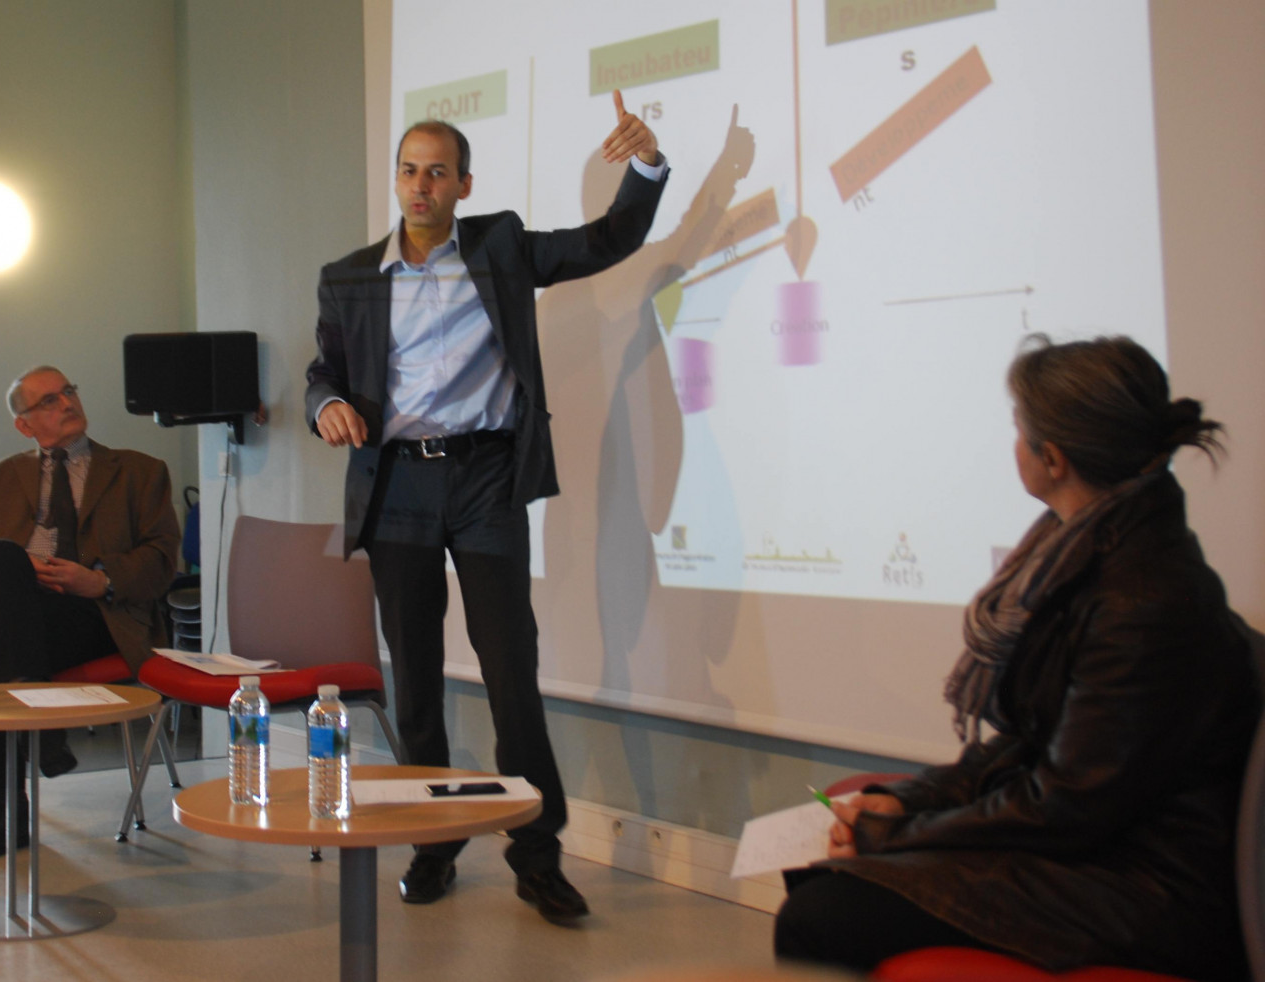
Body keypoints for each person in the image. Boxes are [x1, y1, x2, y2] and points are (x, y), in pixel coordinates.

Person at [774, 335, 1260, 979]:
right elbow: (1036, 745)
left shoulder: (1140, 601)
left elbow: (1066, 805)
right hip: (1106, 847)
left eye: (1018, 431)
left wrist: (899, 831)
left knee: (822, 913)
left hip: (1143, 885)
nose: (1014, 445)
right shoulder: (1093, 553)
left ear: (1051, 459)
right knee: (829, 874)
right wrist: (912, 800)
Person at [304, 92, 666, 923]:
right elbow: (323, 371)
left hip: (484, 481)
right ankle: (434, 844)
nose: (421, 185)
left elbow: (606, 241)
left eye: (438, 171)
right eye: (408, 170)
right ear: (395, 182)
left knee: (512, 675)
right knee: (417, 685)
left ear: (465, 184)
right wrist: (325, 404)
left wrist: (646, 167)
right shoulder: (351, 276)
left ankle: (538, 858)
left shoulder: (500, 248)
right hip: (397, 485)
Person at [0, 366, 179, 862]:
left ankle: (2, 812)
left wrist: (101, 579)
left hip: (96, 616)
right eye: (48, 401)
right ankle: (43, 738)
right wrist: (7, 574)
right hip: (16, 616)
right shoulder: (0, 476)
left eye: (68, 391)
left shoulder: (140, 470)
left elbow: (162, 561)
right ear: (24, 425)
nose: (66, 403)